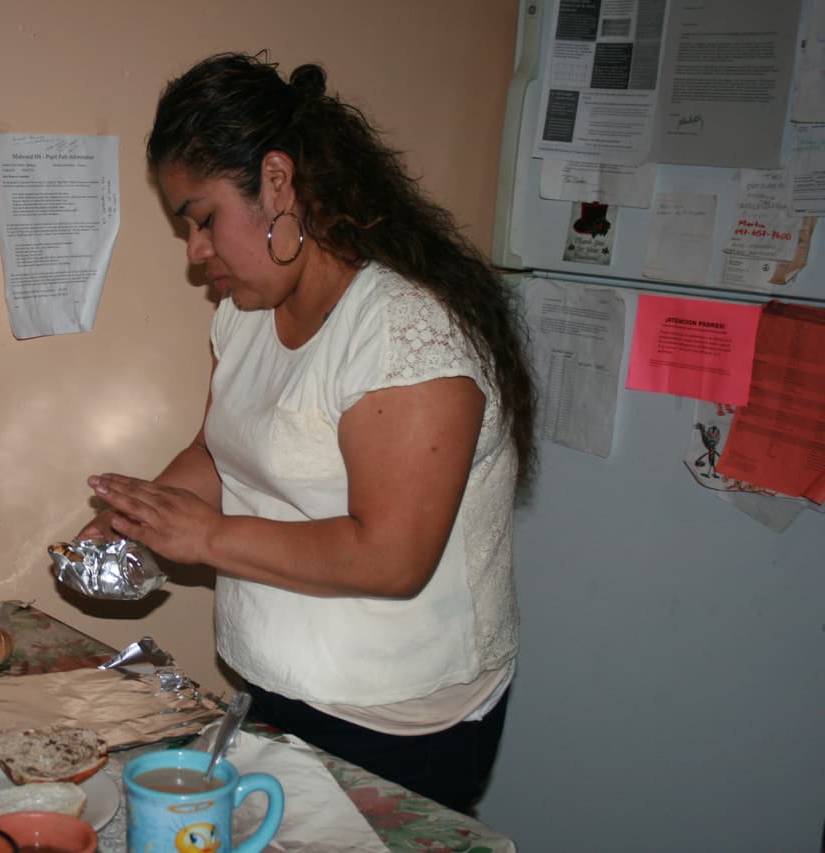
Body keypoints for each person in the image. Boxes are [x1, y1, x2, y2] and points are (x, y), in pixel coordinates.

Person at [79, 52, 537, 816]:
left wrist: (208, 537)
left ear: (278, 184)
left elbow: (392, 556)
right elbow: (219, 451)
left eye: (202, 219)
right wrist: (145, 516)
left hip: (402, 717)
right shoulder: (248, 310)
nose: (197, 252)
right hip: (280, 689)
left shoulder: (405, 331)